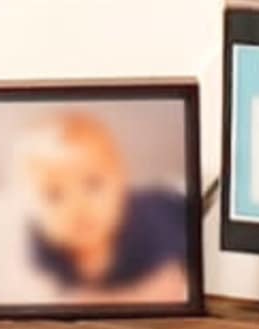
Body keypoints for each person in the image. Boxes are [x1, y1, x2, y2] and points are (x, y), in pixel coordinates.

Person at [16, 109, 193, 304]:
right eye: (54, 195)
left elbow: (171, 287)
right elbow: (50, 290)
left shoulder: (150, 225)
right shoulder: (44, 248)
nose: (78, 207)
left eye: (93, 184)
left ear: (121, 181)